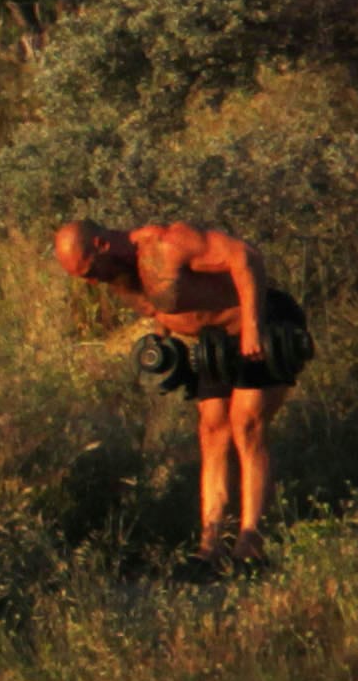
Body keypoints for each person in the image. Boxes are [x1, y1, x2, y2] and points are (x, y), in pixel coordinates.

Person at [51, 218, 309, 559]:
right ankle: (211, 545)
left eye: (88, 270)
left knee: (245, 424)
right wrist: (162, 341)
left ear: (102, 245)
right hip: (214, 342)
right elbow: (167, 301)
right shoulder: (117, 275)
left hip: (263, 322)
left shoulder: (168, 244)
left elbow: (245, 257)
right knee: (212, 429)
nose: (90, 280)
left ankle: (251, 541)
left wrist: (251, 326)